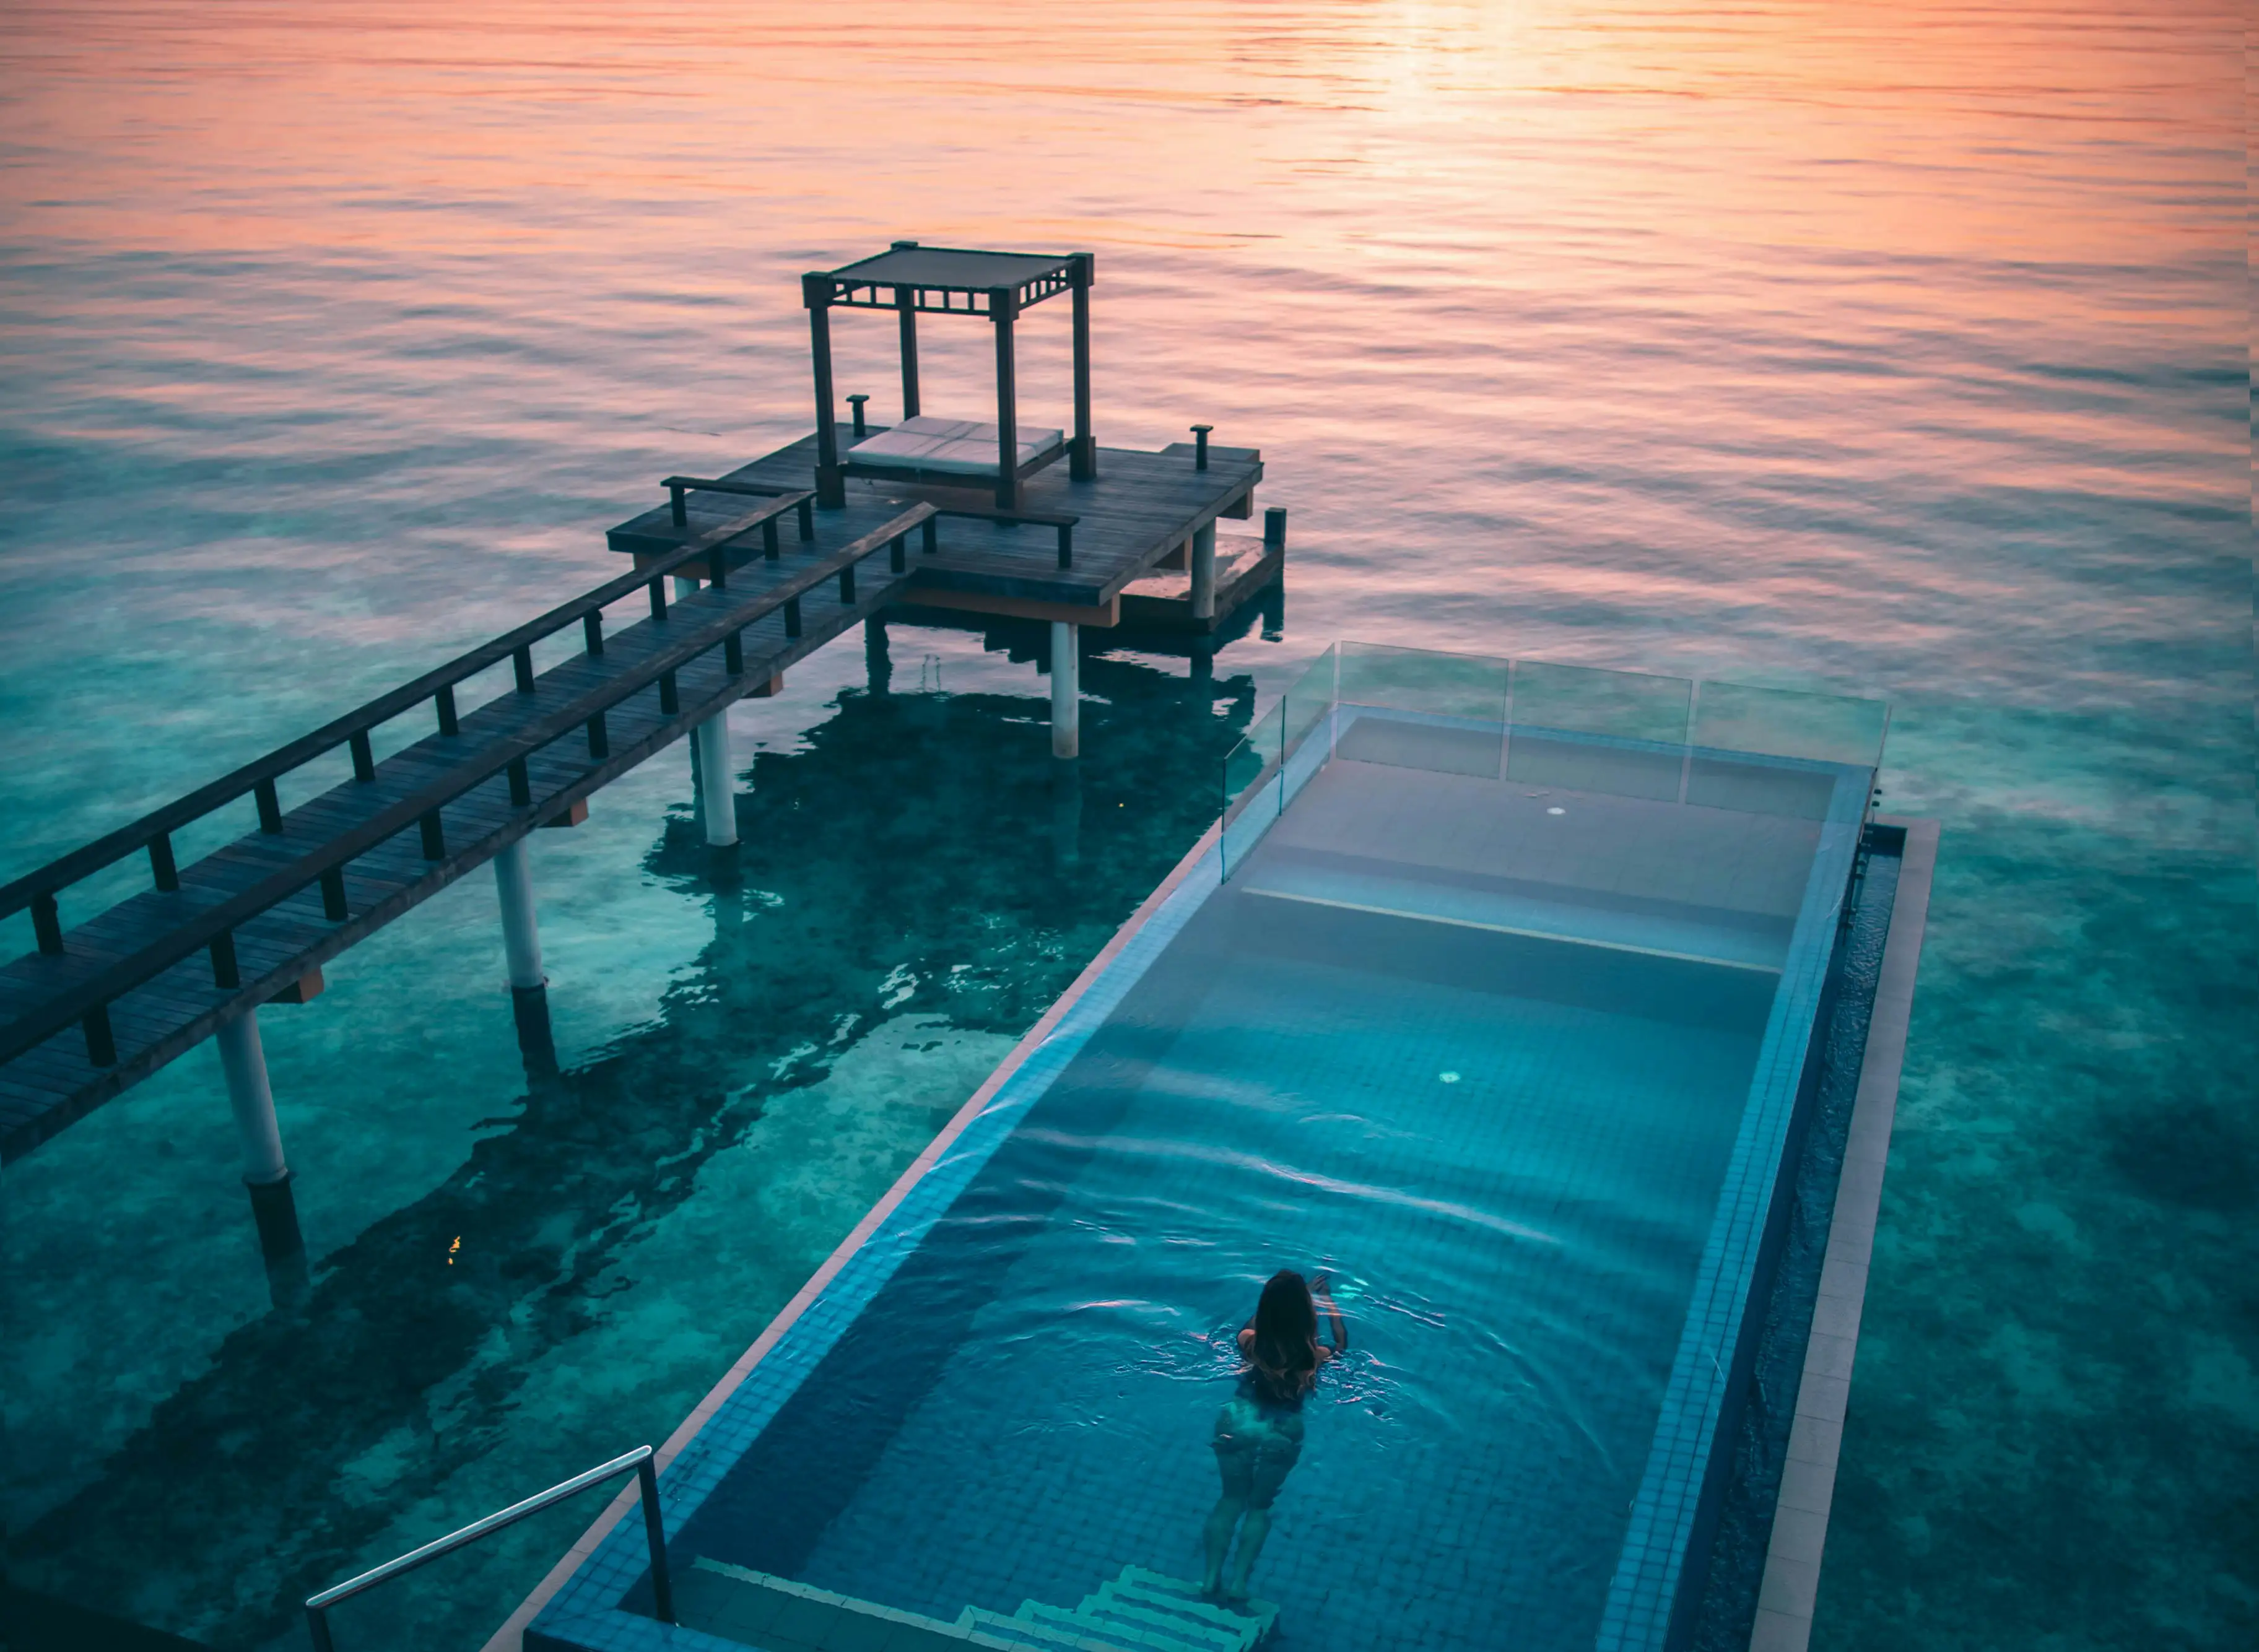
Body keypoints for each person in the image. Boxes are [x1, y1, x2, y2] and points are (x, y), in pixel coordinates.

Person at [1200, 1268, 1348, 1603]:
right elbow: (1341, 1344)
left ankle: (1210, 1579)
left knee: (1230, 1500)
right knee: (1258, 1507)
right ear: (1306, 1318)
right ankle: (1238, 1584)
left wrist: (1279, 1304)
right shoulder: (1313, 1356)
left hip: (1238, 1421)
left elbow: (1248, 1327)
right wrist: (1325, 1300)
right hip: (1282, 1429)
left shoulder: (1250, 1345)